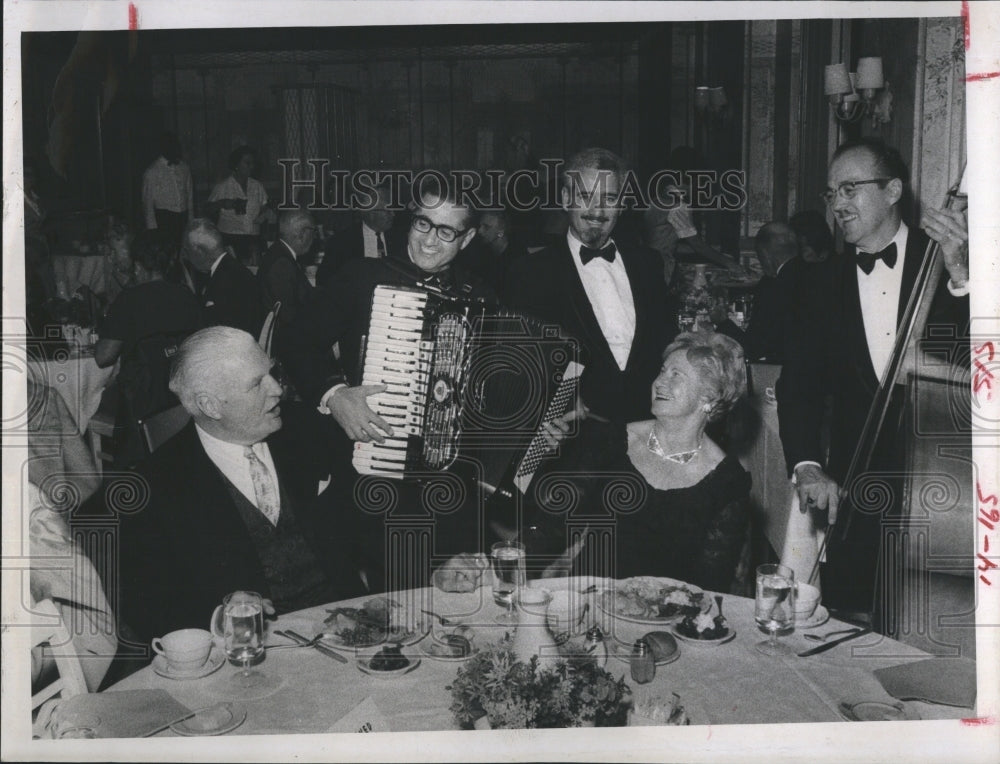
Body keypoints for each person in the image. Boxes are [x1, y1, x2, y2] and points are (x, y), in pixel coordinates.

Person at [777, 137, 970, 614]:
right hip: (852, 488)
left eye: (849, 189)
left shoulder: (946, 261)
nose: (837, 204)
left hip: (941, 489)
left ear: (892, 190)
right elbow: (797, 386)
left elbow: (977, 361)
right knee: (849, 624)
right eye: (831, 193)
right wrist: (806, 464)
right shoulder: (819, 283)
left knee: (928, 625)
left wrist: (963, 275)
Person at [436, 332, 751, 594]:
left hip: (667, 619)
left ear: (709, 397)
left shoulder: (727, 480)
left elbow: (712, 583)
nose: (659, 382)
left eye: (676, 375)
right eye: (662, 371)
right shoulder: (611, 440)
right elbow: (551, 526)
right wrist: (493, 564)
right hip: (592, 605)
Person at [116, 327, 364, 645]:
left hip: (348, 628)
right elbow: (146, 605)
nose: (277, 389)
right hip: (247, 653)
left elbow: (371, 514)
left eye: (271, 373)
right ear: (211, 406)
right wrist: (220, 615)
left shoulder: (308, 429)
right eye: (256, 384)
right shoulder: (155, 485)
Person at [502, 147, 678, 470]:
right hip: (572, 454)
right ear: (566, 197)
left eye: (609, 199)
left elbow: (667, 345)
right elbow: (517, 368)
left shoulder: (648, 264)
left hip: (651, 443)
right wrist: (556, 402)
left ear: (622, 204)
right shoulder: (529, 273)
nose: (597, 210)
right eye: (586, 196)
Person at [284, 179, 492, 441]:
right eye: (423, 223)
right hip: (367, 443)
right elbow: (295, 340)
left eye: (446, 231)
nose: (429, 240)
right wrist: (334, 394)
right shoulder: (361, 276)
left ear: (467, 239)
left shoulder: (480, 297)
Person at [642, 146, 743, 286]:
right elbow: (697, 245)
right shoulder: (678, 205)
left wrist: (715, 250)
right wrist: (731, 264)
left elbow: (665, 242)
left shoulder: (660, 197)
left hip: (645, 266)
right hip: (659, 270)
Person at [315, 177, 407, 287]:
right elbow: (324, 280)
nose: (393, 214)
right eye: (388, 210)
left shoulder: (401, 239)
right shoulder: (342, 242)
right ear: (371, 213)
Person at [183, 218, 265, 337]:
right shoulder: (234, 270)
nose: (187, 258)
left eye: (188, 252)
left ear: (200, 252)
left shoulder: (225, 281)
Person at [743, 221, 805, 364]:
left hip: (780, 373)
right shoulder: (821, 274)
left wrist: (723, 323)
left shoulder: (773, 287)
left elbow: (754, 348)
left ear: (765, 254)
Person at [206, 145, 273, 265]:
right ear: (236, 165)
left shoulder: (257, 186)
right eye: (247, 163)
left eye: (253, 163)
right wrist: (223, 203)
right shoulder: (223, 186)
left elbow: (264, 208)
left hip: (253, 239)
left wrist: (263, 216)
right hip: (230, 238)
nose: (251, 166)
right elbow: (208, 209)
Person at [258, 209, 316, 339]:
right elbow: (289, 316)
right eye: (313, 231)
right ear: (302, 234)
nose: (314, 238)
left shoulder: (279, 252)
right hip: (285, 341)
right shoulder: (282, 263)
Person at [455, 208, 527, 292]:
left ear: (500, 232)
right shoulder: (481, 252)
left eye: (486, 227)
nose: (480, 231)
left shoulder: (517, 260)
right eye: (480, 226)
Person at [141, 131, 193, 245]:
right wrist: (152, 229)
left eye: (176, 145)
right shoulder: (152, 171)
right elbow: (147, 203)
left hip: (182, 217)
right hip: (164, 219)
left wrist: (190, 221)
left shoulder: (184, 168)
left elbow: (189, 196)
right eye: (170, 145)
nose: (174, 148)